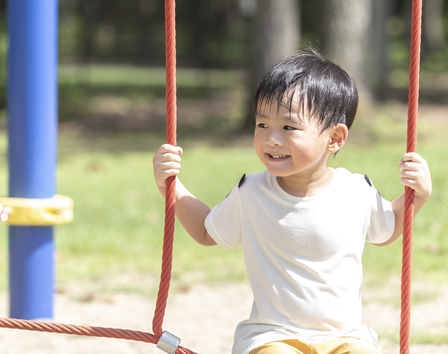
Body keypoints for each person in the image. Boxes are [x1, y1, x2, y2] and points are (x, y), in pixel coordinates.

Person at [152, 49, 432, 354]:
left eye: (288, 127)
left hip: (346, 338)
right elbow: (207, 232)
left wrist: (417, 197)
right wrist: (171, 185)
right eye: (262, 125)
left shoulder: (356, 191)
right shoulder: (252, 192)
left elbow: (388, 227)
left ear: (335, 138)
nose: (272, 138)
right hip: (272, 337)